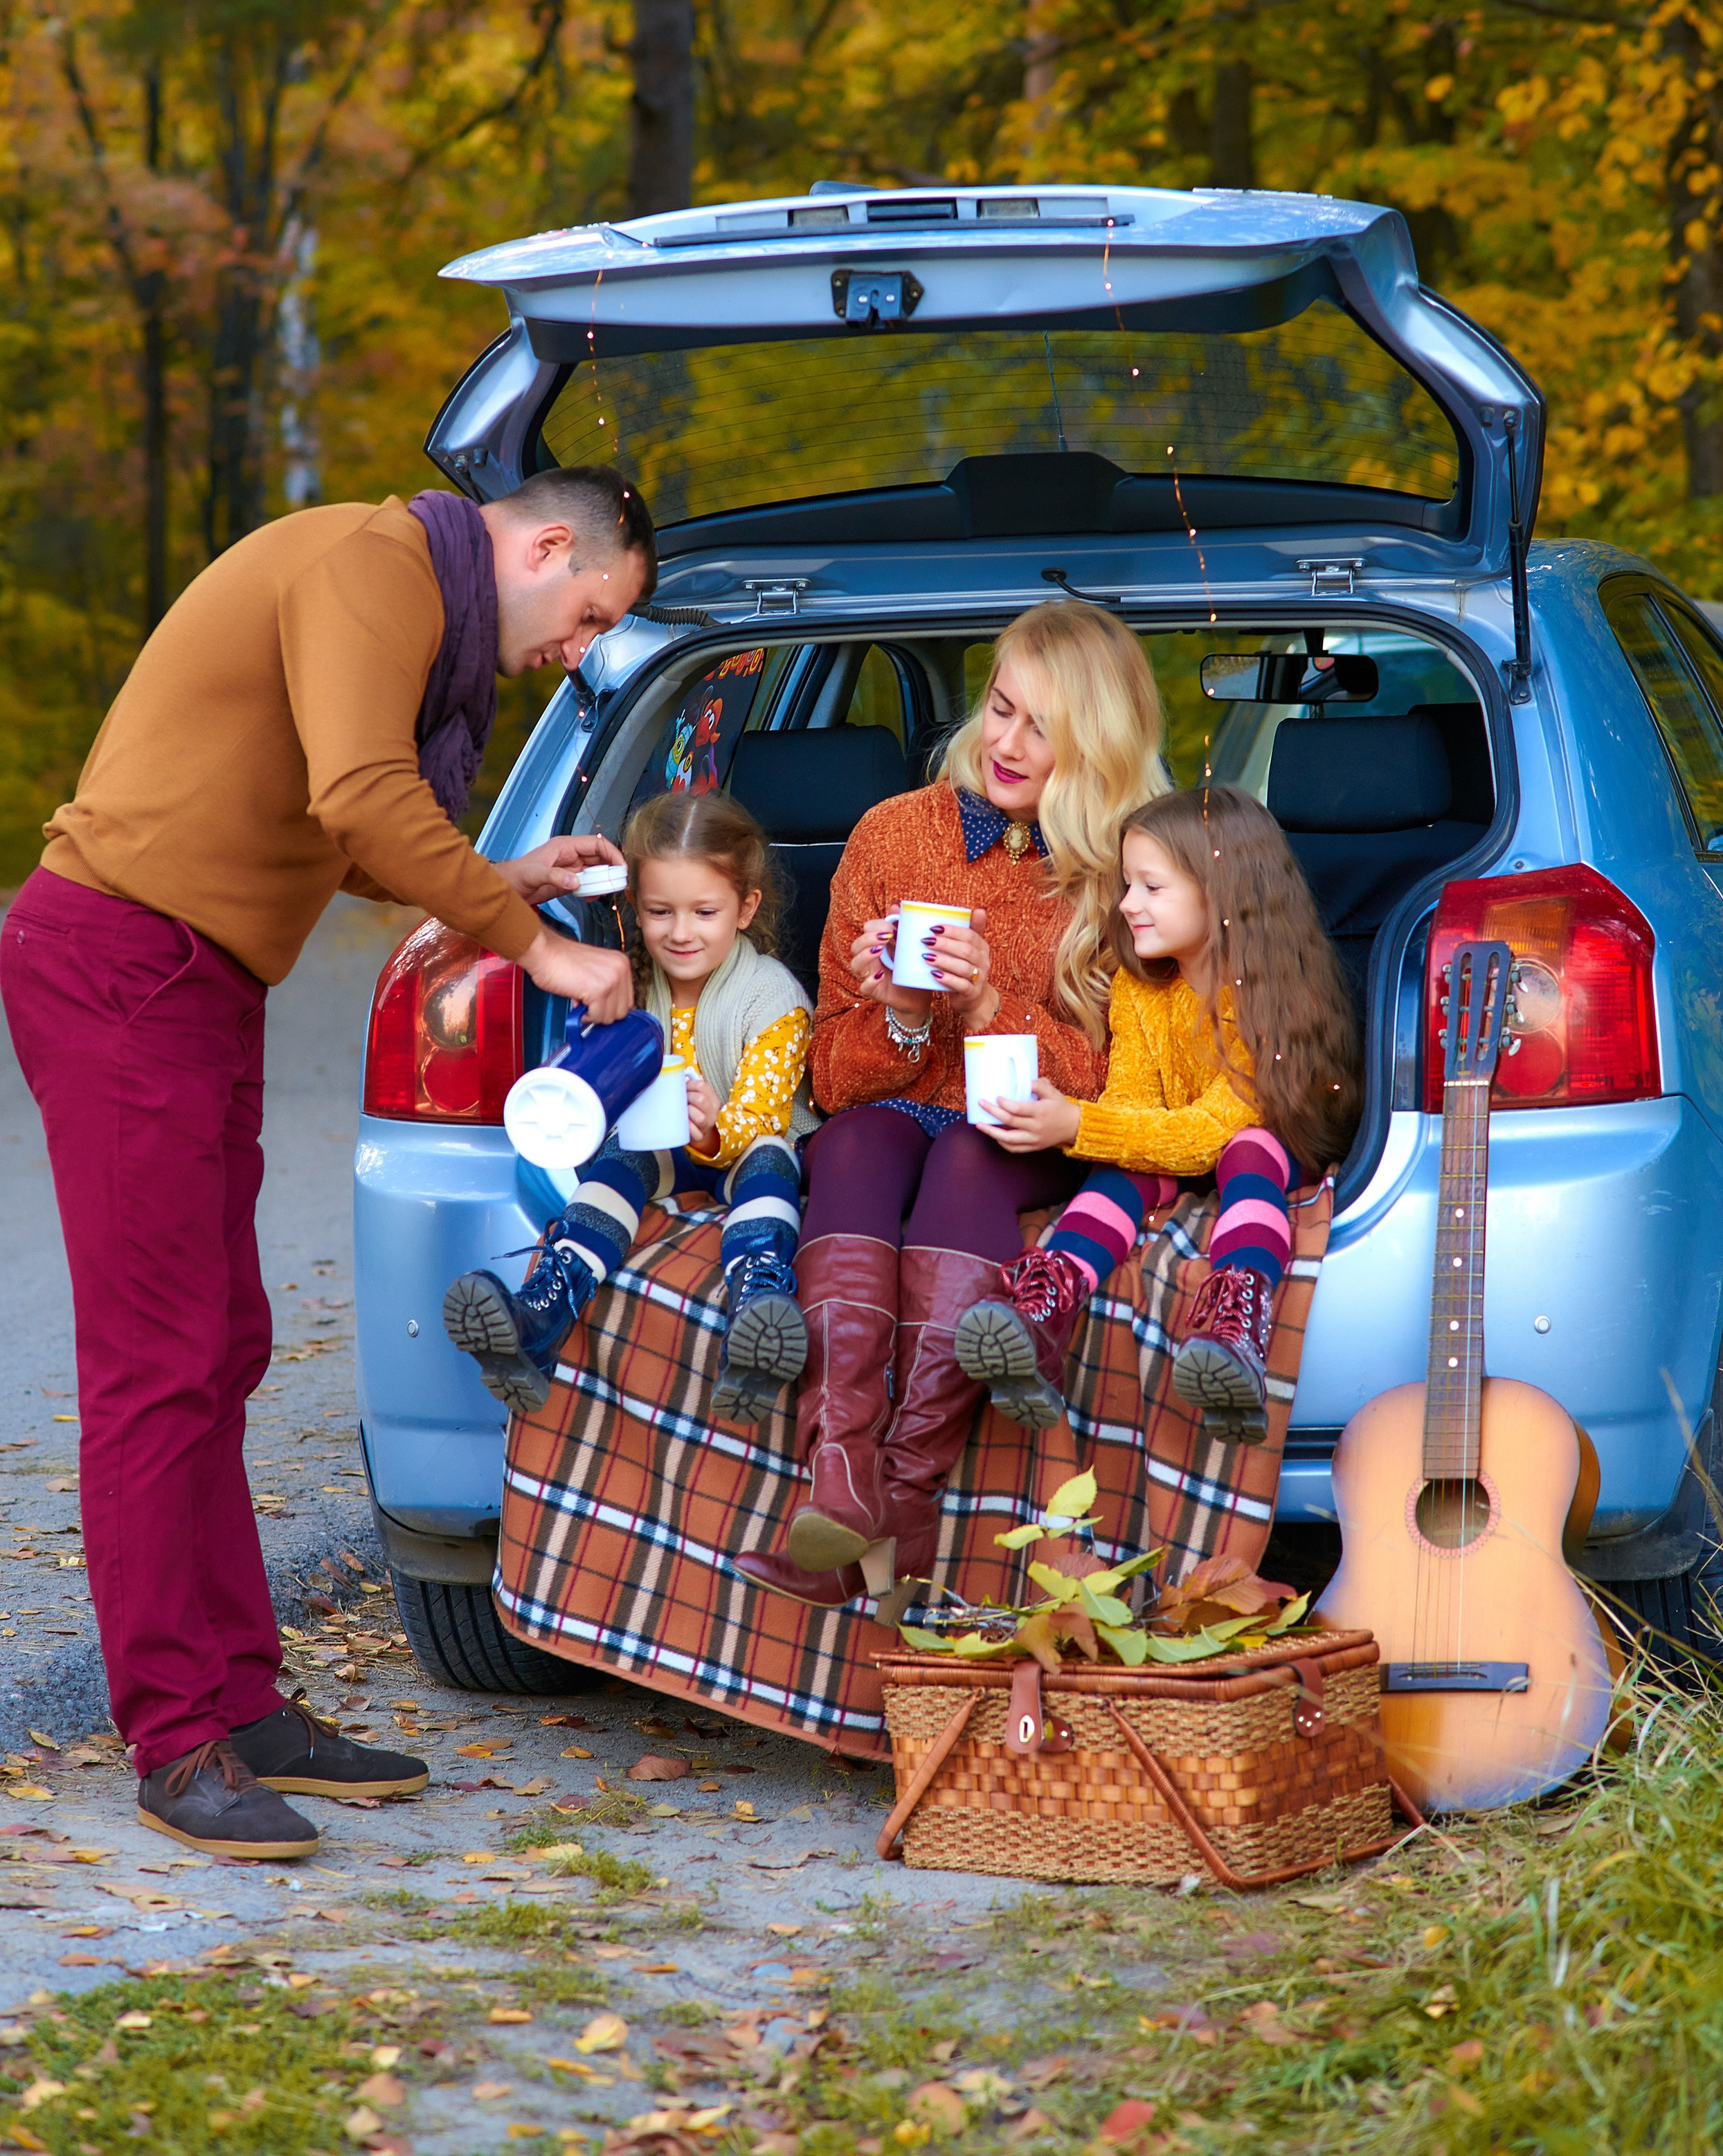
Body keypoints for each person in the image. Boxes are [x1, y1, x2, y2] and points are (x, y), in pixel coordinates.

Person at [0, 467, 652, 1859]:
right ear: (543, 545)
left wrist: (507, 874)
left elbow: (330, 817)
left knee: (223, 1342)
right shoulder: (376, 568)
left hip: (193, 975)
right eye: (591, 610)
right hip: (120, 962)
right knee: (156, 1364)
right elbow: (361, 796)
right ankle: (177, 1739)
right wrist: (539, 944)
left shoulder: (402, 590)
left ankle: (239, 1699)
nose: (578, 650)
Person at [732, 597, 1168, 1610]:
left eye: (1042, 728)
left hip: (1026, 1126)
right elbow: (831, 1079)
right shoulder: (894, 833)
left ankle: (909, 1493)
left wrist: (986, 1005)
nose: (1006, 743)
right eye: (1001, 709)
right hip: (892, 1105)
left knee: (966, 1153)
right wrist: (903, 1014)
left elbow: (1109, 1082)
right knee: (849, 1144)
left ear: (1096, 745)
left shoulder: (1121, 868)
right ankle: (838, 1484)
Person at [958, 783, 1361, 1444]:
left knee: (1249, 1150)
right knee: (1120, 1171)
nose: (1126, 904)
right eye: (1127, 884)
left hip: (1266, 1142)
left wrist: (1079, 1126)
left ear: (1221, 892)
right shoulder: (1138, 987)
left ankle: (1238, 1315)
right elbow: (1133, 1110)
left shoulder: (1263, 994)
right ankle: (1045, 1303)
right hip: (1179, 1146)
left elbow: (1213, 1131)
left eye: (1150, 887)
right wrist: (1079, 1125)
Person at [444, 791, 815, 1423]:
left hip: (743, 1146)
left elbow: (764, 1110)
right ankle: (543, 1312)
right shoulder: (633, 982)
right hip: (664, 1149)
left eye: (704, 911)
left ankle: (758, 1305)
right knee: (620, 1160)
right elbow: (593, 1067)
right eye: (658, 911)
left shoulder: (773, 997)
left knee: (772, 1157)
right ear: (635, 909)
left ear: (746, 908)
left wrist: (714, 1128)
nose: (680, 931)